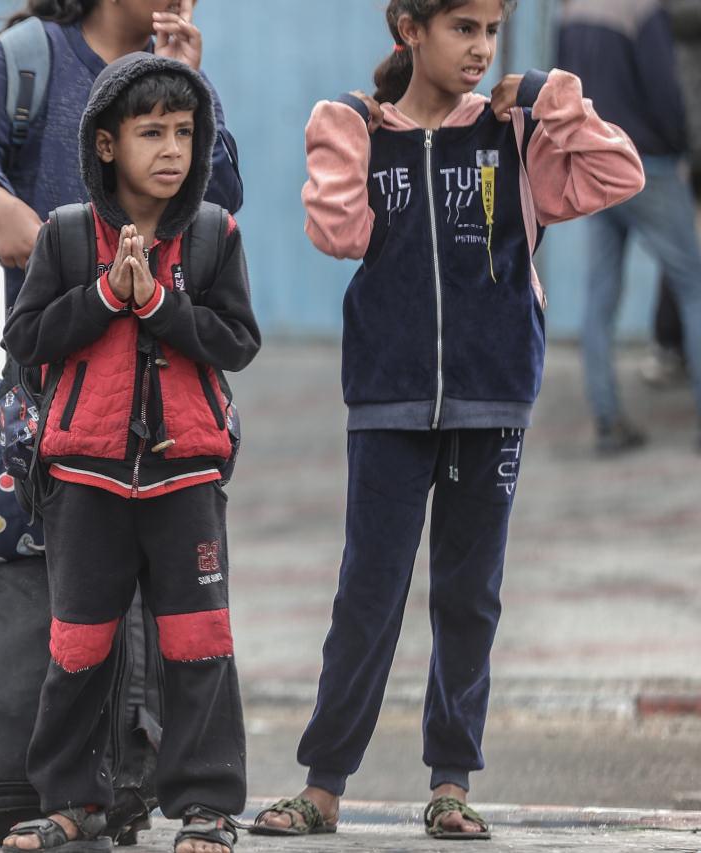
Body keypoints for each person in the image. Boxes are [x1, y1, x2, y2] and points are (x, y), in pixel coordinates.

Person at [252, 0, 643, 839]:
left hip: (492, 396)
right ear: (410, 29)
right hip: (388, 400)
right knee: (368, 594)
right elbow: (336, 230)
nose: (481, 48)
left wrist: (546, 93)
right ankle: (322, 786)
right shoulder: (362, 130)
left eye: (491, 31)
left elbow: (620, 174)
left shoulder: (511, 135)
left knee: (469, 597)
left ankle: (452, 782)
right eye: (462, 28)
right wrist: (345, 131)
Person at [0, 55, 259, 853]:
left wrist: (159, 304)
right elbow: (27, 339)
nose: (172, 149)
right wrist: (109, 296)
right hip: (86, 478)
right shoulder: (69, 235)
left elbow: (238, 342)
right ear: (107, 145)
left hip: (186, 475)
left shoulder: (215, 234)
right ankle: (73, 800)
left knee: (198, 641)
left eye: (184, 132)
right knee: (80, 645)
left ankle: (207, 805)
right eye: (151, 132)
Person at [0, 0, 242, 381]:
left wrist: (183, 80)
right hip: (28, 348)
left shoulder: (177, 73)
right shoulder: (30, 56)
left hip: (147, 363)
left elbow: (219, 201)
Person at [557, 0, 701, 454]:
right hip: (648, 164)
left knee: (601, 294)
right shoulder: (642, 9)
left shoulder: (571, 10)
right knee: (694, 286)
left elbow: (558, 90)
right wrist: (683, 145)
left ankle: (607, 420)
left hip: (595, 166)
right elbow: (664, 88)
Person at [640, 0, 701, 388]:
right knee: (685, 263)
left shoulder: (659, 19)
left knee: (680, 256)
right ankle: (670, 345)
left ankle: (669, 345)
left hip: (682, 148)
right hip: (684, 150)